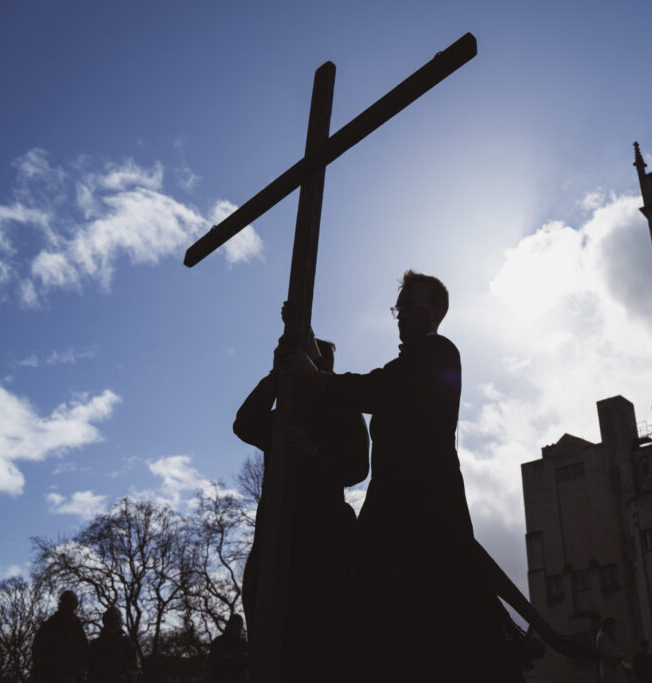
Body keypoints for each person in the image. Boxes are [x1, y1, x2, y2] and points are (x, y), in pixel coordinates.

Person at [281, 270, 522, 683]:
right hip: (397, 504)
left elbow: (376, 389)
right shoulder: (415, 362)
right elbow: (372, 389)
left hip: (421, 508)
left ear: (436, 312)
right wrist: (305, 339)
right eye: (399, 307)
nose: (400, 316)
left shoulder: (437, 353)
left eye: (409, 307)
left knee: (426, 615)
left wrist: (314, 376)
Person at [233, 311, 369, 678]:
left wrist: (314, 453)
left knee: (318, 645)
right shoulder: (285, 414)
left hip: (322, 541)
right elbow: (244, 424)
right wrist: (273, 381)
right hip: (276, 537)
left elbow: (358, 467)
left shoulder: (342, 408)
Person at [31, 590, 88, 683]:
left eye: (71, 602)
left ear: (76, 605)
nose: (68, 605)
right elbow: (39, 654)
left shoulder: (78, 629)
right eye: (66, 601)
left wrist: (78, 675)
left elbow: (84, 654)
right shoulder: (48, 627)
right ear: (61, 603)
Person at [87, 606, 138, 683]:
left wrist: (126, 677)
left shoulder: (128, 644)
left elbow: (134, 669)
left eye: (116, 618)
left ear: (120, 622)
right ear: (104, 621)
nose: (113, 622)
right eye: (110, 619)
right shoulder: (95, 645)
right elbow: (90, 671)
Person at [208, 614, 249, 682]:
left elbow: (247, 662)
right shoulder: (218, 642)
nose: (237, 628)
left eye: (239, 626)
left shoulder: (243, 644)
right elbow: (214, 664)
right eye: (235, 625)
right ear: (230, 625)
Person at [596, 617, 623, 683]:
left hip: (611, 669)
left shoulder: (606, 636)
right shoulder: (602, 636)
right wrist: (618, 656)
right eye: (612, 626)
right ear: (607, 626)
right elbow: (606, 653)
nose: (614, 629)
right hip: (607, 669)